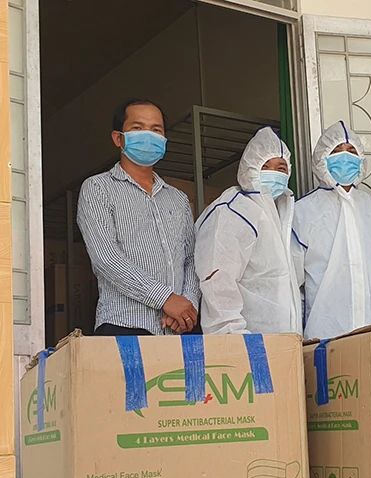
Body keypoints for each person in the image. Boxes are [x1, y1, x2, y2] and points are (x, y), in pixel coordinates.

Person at [77, 99, 200, 336]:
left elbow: (192, 259)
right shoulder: (98, 188)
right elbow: (106, 258)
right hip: (124, 325)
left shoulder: (178, 199)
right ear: (118, 138)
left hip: (178, 329)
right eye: (137, 128)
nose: (148, 135)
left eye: (156, 130)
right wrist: (165, 299)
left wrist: (187, 306)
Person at [291, 121, 371, 340]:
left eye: (351, 151)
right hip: (325, 331)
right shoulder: (303, 211)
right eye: (336, 150)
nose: (345, 157)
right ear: (322, 158)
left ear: (361, 160)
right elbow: (292, 281)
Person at [194, 127, 302, 335]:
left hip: (286, 340)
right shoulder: (233, 211)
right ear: (249, 168)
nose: (274, 173)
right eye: (265, 166)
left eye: (281, 168)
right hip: (247, 340)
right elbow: (218, 281)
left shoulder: (283, 214)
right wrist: (234, 337)